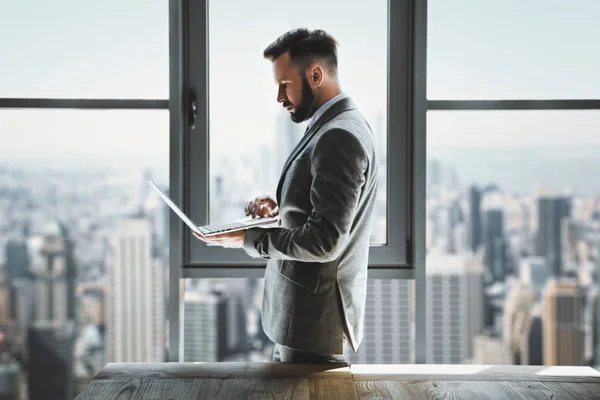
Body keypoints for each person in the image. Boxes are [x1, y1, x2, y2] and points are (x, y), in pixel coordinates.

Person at [194, 28, 379, 363]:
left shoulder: (338, 136)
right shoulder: (334, 126)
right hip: (308, 316)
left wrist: (252, 238)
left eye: (284, 84)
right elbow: (329, 210)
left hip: (313, 318)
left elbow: (325, 241)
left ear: (315, 74)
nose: (279, 97)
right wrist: (283, 210)